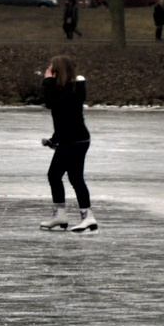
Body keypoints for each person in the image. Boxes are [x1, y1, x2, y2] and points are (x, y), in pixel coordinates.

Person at [37, 55, 96, 234]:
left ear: (58, 71)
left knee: (58, 175)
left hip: (74, 140)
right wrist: (54, 139)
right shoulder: (65, 89)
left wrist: (47, 81)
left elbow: (51, 103)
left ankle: (82, 217)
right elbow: (63, 118)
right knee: (68, 177)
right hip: (72, 139)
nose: (48, 70)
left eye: (51, 68)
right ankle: (68, 215)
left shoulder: (73, 89)